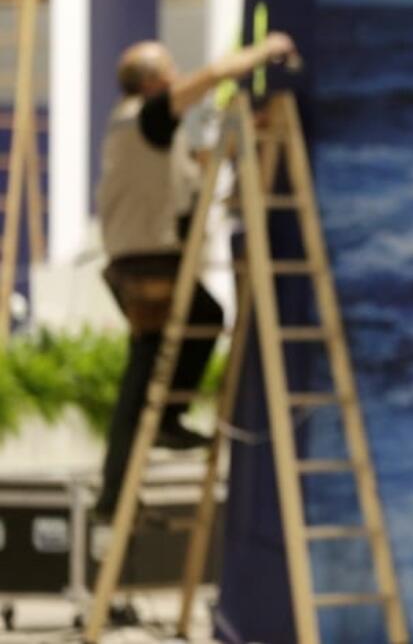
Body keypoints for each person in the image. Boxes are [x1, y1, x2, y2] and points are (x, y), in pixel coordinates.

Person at [93, 33, 298, 519]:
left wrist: (249, 135)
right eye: (168, 71)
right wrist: (265, 51)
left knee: (156, 358)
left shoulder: (146, 134)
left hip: (139, 257)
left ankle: (128, 474)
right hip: (149, 260)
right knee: (159, 356)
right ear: (152, 82)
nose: (177, 77)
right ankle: (136, 464)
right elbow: (210, 78)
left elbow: (195, 170)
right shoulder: (147, 118)